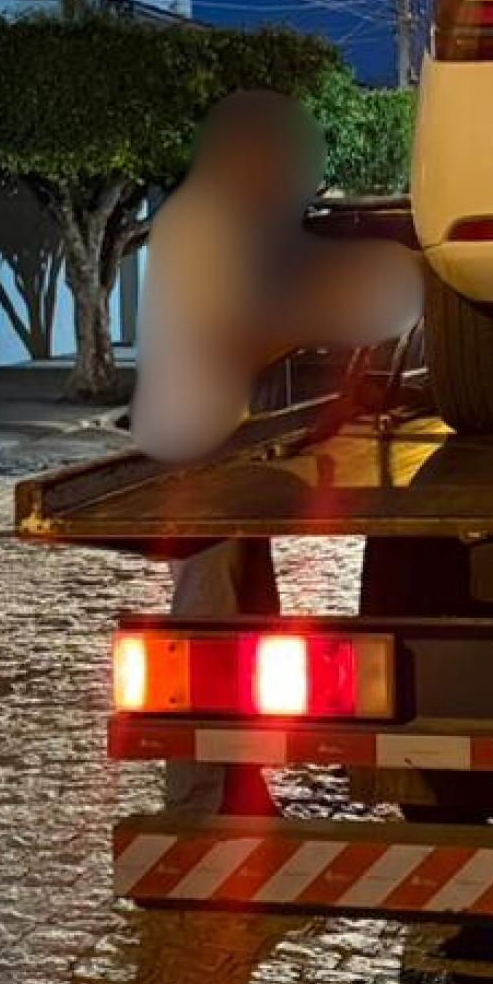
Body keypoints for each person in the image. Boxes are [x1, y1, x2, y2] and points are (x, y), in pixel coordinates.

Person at [133, 91, 420, 815]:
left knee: (246, 616)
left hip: (234, 460)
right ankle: (199, 797)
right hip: (201, 464)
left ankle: (236, 782)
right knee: (209, 622)